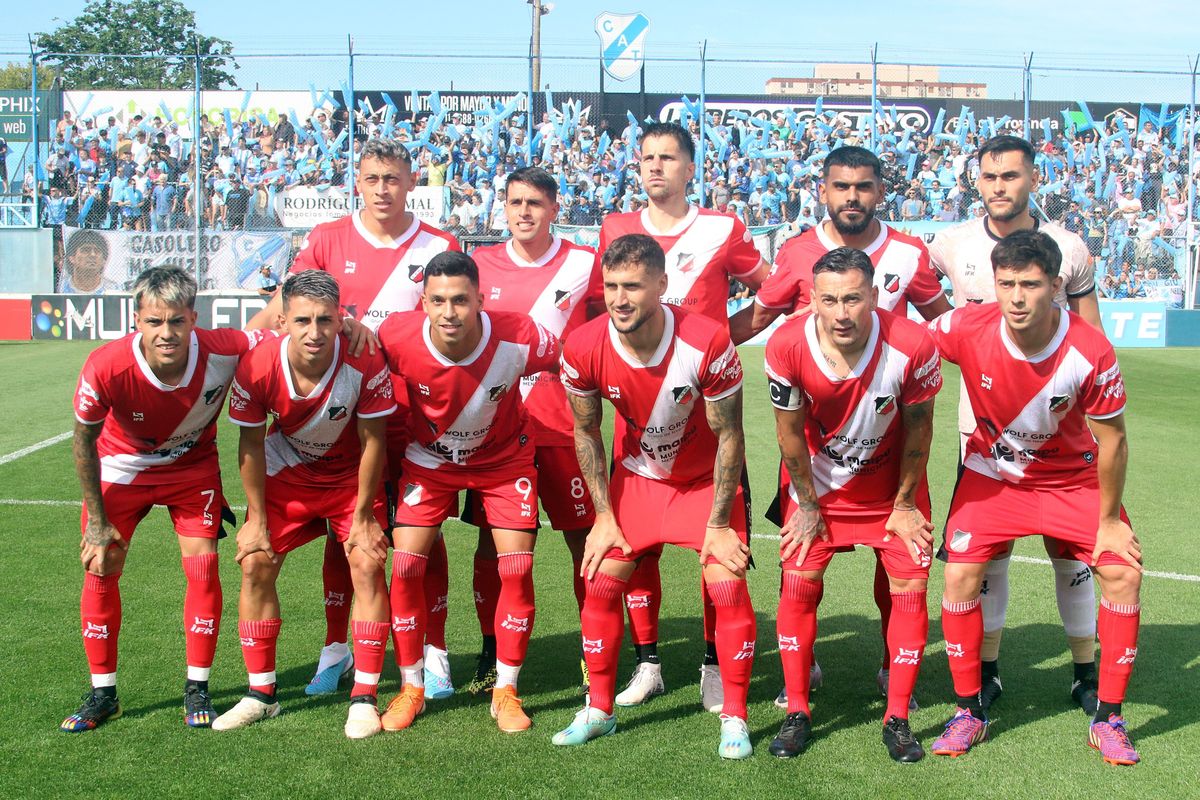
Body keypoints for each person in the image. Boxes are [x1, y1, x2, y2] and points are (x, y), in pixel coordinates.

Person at [732, 145, 950, 709]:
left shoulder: (908, 251)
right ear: (823, 191)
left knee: (896, 561)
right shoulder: (800, 250)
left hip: (889, 442)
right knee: (799, 556)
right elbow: (762, 313)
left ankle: (889, 665)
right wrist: (695, 342)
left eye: (862, 186)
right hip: (815, 443)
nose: (851, 196)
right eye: (840, 186)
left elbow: (941, 321)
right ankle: (801, 670)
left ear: (879, 191)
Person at [246, 138, 460, 698]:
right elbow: (283, 307)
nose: (382, 189)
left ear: (413, 181)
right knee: (346, 539)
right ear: (357, 183)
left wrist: (379, 332)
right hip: (339, 421)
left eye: (393, 178)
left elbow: (448, 324)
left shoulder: (439, 243)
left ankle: (434, 651)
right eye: (372, 179)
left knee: (421, 539)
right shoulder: (327, 239)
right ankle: (336, 650)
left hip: (414, 417)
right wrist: (245, 341)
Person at [926, 229, 1142, 766]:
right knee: (958, 573)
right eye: (1006, 284)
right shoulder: (964, 326)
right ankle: (968, 709)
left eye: (1029, 285)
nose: (1016, 298)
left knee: (1122, 571)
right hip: (992, 477)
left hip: (1072, 480)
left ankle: (1108, 715)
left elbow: (1113, 439)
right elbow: (905, 344)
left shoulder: (1090, 349)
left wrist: (1110, 520)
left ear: (1055, 287)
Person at [553, 233, 756, 759]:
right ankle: (599, 711)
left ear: (663, 286)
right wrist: (602, 515)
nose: (620, 298)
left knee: (727, 587)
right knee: (599, 583)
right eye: (611, 285)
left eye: (634, 287)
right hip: (639, 481)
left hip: (703, 485)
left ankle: (735, 716)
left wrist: (717, 525)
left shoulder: (708, 341)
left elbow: (731, 437)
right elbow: (585, 431)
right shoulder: (583, 346)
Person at [928, 135, 1105, 715]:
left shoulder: (1069, 248)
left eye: (1010, 175)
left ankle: (1085, 673)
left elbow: (1092, 336)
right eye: (989, 176)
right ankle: (988, 673)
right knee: (986, 559)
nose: (999, 186)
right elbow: (937, 318)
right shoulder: (951, 245)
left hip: (1063, 439)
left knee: (1071, 556)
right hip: (981, 437)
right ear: (976, 181)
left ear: (1033, 178)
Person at [596, 122, 769, 714]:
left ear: (691, 168)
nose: (655, 167)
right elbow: (605, 309)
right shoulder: (617, 229)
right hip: (641, 414)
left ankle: (714, 664)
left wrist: (726, 335)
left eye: (668, 158)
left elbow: (770, 291)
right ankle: (648, 665)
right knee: (632, 547)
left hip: (709, 413)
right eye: (646, 157)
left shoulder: (723, 227)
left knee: (715, 537)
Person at [62, 266, 272, 732]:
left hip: (190, 469)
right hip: (122, 467)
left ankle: (197, 686)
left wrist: (346, 320)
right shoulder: (106, 365)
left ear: (193, 318)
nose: (166, 333)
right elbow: (82, 442)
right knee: (101, 565)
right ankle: (103, 693)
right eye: (154, 321)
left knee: (203, 568)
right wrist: (96, 520)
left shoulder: (223, 349)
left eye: (176, 320)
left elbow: (277, 324)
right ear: (136, 320)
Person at [763, 246, 942, 762]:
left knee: (909, 587)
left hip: (893, 493)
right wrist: (808, 504)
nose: (842, 313)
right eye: (830, 300)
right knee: (798, 582)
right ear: (813, 301)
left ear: (875, 296)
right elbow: (789, 434)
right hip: (816, 491)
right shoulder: (786, 345)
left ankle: (898, 717)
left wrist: (905, 504)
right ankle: (797, 709)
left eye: (853, 300)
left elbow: (919, 432)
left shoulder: (913, 344)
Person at [375, 251, 560, 734]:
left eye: (460, 300)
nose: (449, 312)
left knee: (516, 569)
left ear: (481, 298)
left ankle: (507, 690)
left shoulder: (520, 334)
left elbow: (578, 358)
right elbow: (349, 360)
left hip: (504, 463)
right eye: (437, 300)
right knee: (407, 565)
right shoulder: (395, 336)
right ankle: (411, 687)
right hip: (429, 464)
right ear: (423, 302)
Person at [212, 271, 396, 739]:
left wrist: (363, 517)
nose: (314, 332)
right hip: (288, 469)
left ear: (341, 319)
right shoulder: (256, 365)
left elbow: (375, 441)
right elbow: (250, 445)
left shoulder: (364, 359)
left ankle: (364, 697)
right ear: (283, 321)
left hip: (350, 476)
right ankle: (260, 695)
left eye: (325, 320)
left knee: (367, 562)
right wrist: (254, 519)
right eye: (302, 321)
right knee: (254, 562)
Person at [461, 167, 599, 696]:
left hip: (565, 429)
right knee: (491, 548)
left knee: (584, 544)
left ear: (554, 208)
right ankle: (491, 650)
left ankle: (596, 653)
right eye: (515, 201)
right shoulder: (479, 265)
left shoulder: (584, 266)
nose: (524, 212)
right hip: (494, 431)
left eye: (535, 203)